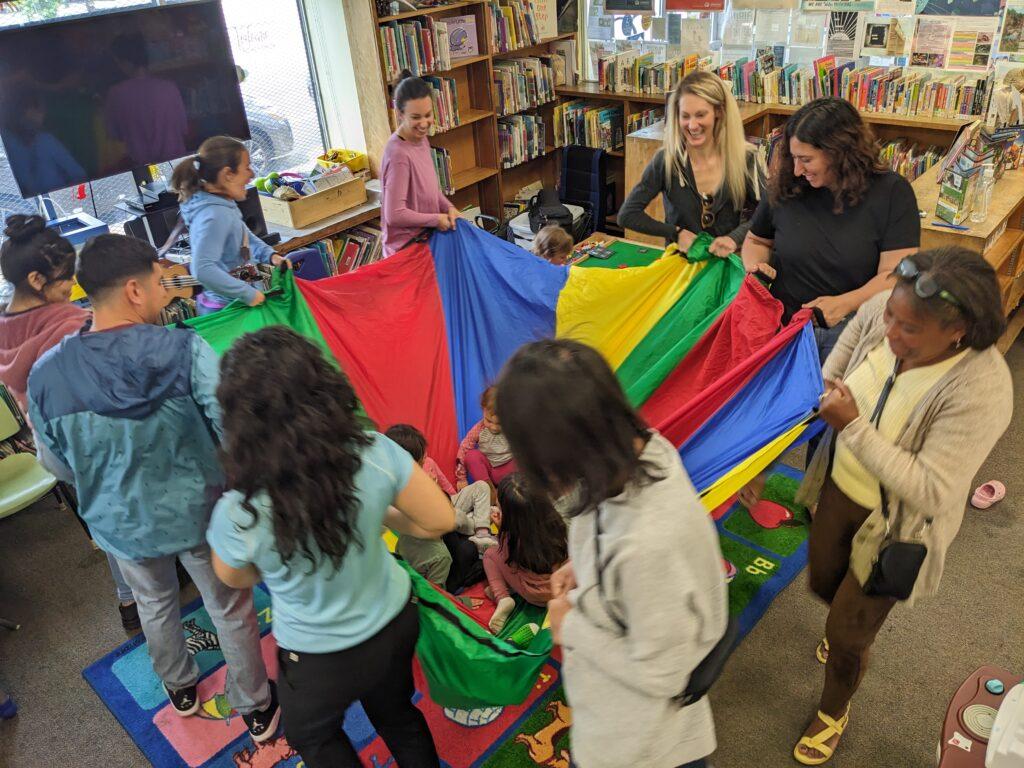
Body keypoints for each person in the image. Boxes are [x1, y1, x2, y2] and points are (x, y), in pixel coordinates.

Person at [28, 234, 279, 742]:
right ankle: (254, 707)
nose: (167, 289)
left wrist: (106, 490)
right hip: (201, 513)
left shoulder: (46, 374)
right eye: (158, 281)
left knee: (154, 603)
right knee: (228, 607)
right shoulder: (185, 348)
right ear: (134, 290)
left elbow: (55, 465)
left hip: (119, 521)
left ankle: (181, 689)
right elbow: (232, 428)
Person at [791, 247, 1012, 765]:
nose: (890, 331)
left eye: (909, 328)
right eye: (890, 313)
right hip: (838, 489)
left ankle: (833, 709)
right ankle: (846, 628)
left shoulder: (983, 387)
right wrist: (828, 384)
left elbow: (934, 490)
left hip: (896, 529)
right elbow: (844, 348)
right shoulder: (885, 313)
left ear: (957, 332)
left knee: (847, 636)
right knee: (822, 582)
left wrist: (854, 428)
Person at [207, 327, 453, 768]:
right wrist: (372, 512)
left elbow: (234, 577)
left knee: (313, 737)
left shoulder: (239, 510)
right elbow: (438, 521)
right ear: (324, 386)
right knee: (397, 713)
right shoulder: (374, 450)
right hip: (394, 621)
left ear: (240, 419)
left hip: (318, 655)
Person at [497, 338, 728, 768]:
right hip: (619, 714)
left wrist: (572, 628)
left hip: (642, 745)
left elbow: (663, 672)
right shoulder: (639, 449)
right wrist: (580, 565)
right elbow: (604, 525)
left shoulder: (647, 544)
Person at [0, 215, 140, 633]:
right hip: (95, 433)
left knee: (102, 515)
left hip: (54, 443)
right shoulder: (65, 324)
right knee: (127, 512)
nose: (71, 286)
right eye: (65, 279)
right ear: (38, 279)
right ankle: (147, 587)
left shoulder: (6, 325)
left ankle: (127, 601)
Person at [741, 97, 920, 363]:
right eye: (793, 158)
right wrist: (755, 267)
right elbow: (757, 240)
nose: (798, 169)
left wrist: (844, 303)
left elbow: (896, 275)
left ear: (839, 152)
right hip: (781, 327)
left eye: (807, 159)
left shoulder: (892, 193)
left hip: (850, 331)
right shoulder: (788, 183)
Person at [617, 70, 765, 256]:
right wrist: (675, 233)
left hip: (724, 270)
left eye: (701, 115)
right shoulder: (666, 161)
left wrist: (734, 237)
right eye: (685, 116)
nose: (692, 125)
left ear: (718, 112)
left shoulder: (746, 158)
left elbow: (769, 212)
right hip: (679, 269)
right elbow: (627, 215)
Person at [171, 135, 287, 315]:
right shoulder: (215, 215)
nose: (252, 174)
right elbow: (202, 269)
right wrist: (247, 293)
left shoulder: (220, 203)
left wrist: (270, 255)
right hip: (227, 310)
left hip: (235, 304)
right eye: (247, 167)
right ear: (228, 175)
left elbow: (244, 236)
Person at [385, 423, 490, 591]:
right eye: (420, 461)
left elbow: (447, 490)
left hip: (445, 505)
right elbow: (448, 520)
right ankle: (479, 530)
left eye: (424, 458)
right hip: (441, 521)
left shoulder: (423, 467)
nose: (424, 461)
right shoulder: (404, 494)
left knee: (480, 488)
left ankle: (480, 528)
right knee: (469, 547)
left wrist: (450, 492)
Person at [379, 71, 460, 257]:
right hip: (406, 252)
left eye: (428, 115)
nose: (424, 123)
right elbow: (395, 214)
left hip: (425, 242)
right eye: (416, 117)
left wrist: (449, 208)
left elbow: (430, 191)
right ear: (399, 113)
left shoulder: (421, 139)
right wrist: (436, 219)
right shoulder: (398, 154)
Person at [484, 473, 568, 634]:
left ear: (510, 517)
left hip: (534, 594)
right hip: (562, 586)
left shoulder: (513, 537)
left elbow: (506, 555)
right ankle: (505, 589)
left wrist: (502, 529)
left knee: (490, 554)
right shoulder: (559, 522)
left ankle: (503, 597)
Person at [455, 386, 517, 494]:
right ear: (483, 409)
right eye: (488, 421)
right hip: (491, 475)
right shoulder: (479, 430)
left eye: (499, 423)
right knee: (471, 456)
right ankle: (490, 493)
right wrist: (462, 478)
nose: (493, 427)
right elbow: (463, 449)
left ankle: (516, 491)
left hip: (511, 473)